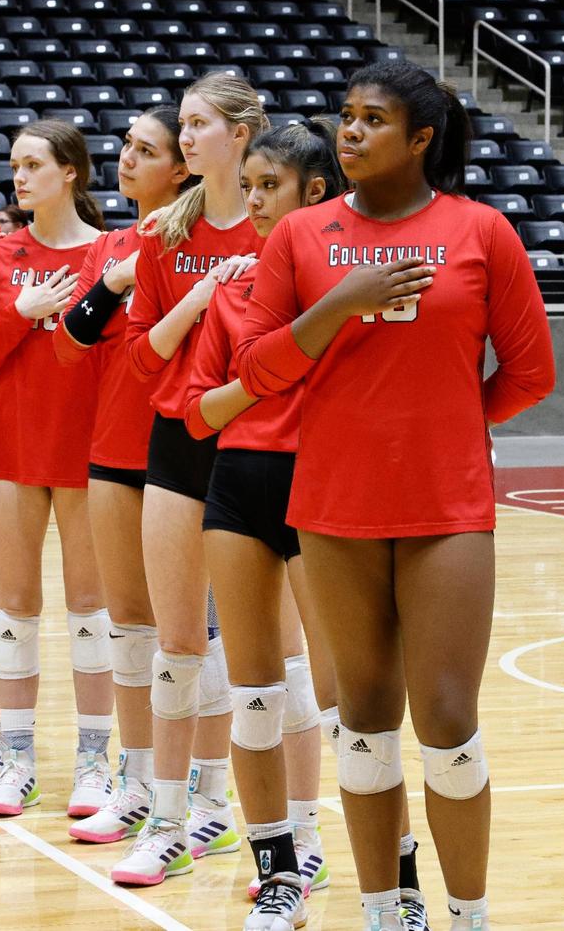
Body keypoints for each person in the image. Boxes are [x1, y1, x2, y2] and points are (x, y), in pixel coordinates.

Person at [236, 61, 556, 931]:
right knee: (366, 722)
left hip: (448, 509)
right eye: (344, 116)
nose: (349, 132)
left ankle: (469, 916)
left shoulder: (481, 231)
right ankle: (385, 910)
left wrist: (448, 426)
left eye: (372, 119)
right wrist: (336, 306)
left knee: (448, 721)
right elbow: (256, 369)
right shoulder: (300, 236)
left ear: (421, 139)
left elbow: (531, 372)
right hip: (332, 507)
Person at [183, 119, 346, 931]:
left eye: (267, 186)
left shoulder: (348, 284)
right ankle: (279, 877)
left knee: (350, 700)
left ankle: (395, 876)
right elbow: (197, 412)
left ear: (315, 192)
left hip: (326, 492)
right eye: (245, 185)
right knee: (254, 697)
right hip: (239, 487)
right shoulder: (233, 288)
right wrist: (262, 378)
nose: (250, 200)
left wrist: (256, 375)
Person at [112, 72, 267, 887]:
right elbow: (140, 357)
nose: (188, 136)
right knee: (177, 640)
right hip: (177, 437)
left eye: (200, 123)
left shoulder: (284, 228)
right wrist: (198, 298)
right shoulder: (162, 234)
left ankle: (235, 814)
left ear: (240, 134)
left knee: (257, 654)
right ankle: (169, 819)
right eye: (184, 124)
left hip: (260, 442)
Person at [0, 119, 109, 818]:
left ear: (71, 172)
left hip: (88, 449)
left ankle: (94, 764)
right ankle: (17, 759)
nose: (18, 176)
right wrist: (19, 315)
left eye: (33, 164)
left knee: (92, 613)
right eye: (13, 164)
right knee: (13, 610)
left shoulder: (112, 253)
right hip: (12, 446)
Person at [53, 106, 193, 847]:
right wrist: (115, 277)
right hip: (112, 444)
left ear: (182, 167)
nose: (126, 158)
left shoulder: (201, 240)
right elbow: (71, 343)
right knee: (129, 626)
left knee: (193, 637)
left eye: (146, 149)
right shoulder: (109, 243)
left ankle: (204, 796)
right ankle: (136, 782)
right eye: (126, 146)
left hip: (188, 447)